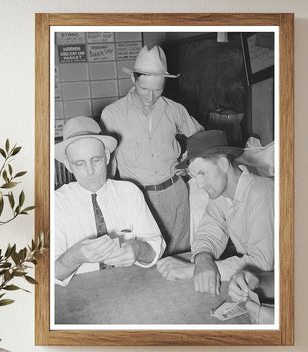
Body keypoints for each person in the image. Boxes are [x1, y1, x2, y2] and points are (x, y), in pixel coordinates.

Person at [101, 45, 203, 255]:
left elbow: (201, 137)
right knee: (146, 260)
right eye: (144, 89)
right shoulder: (112, 114)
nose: (150, 96)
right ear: (134, 80)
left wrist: (188, 161)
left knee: (180, 257)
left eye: (158, 90)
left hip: (175, 194)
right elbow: (108, 166)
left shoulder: (174, 109)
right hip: (139, 198)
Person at [157, 129, 274, 297]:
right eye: (195, 176)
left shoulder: (261, 192)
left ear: (223, 164)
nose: (199, 184)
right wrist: (203, 260)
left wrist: (192, 270)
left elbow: (262, 264)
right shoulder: (221, 195)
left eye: (202, 173)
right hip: (253, 286)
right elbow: (208, 233)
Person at [54, 116, 165, 287]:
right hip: (80, 298)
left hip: (132, 285)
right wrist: (74, 256)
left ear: (106, 156)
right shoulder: (56, 203)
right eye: (79, 164)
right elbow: (50, 274)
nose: (90, 171)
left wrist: (137, 249)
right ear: (68, 166)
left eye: (96, 160)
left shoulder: (129, 192)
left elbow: (155, 249)